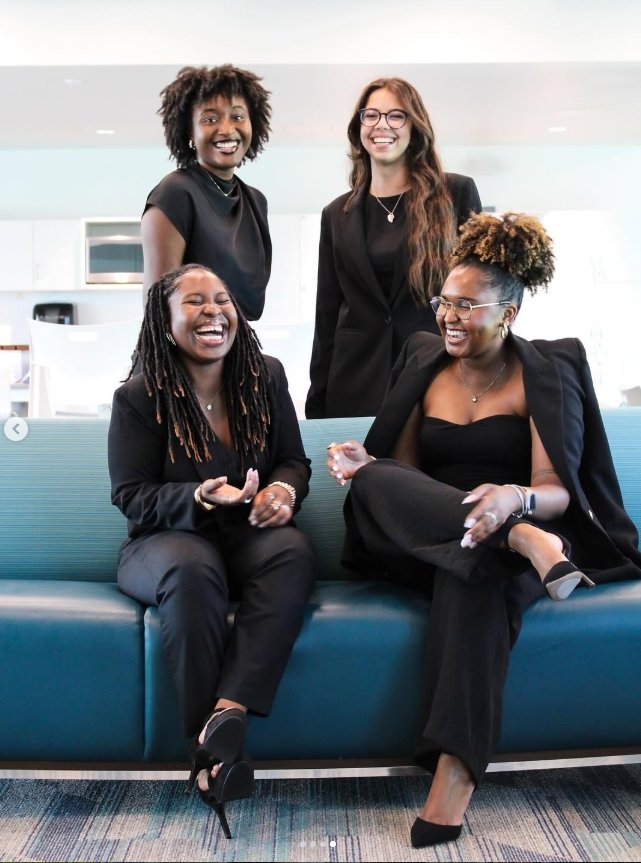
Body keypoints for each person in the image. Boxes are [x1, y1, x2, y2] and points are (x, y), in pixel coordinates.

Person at [325, 212, 641, 848]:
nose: (448, 316)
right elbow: (403, 478)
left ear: (509, 314)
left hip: (514, 526)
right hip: (431, 532)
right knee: (376, 475)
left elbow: (556, 490)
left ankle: (454, 776)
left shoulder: (547, 370)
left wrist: (514, 503)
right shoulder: (423, 360)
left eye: (467, 305)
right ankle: (518, 543)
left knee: (473, 573)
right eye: (444, 301)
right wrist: (368, 469)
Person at [108, 263, 316, 838]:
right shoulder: (139, 396)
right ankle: (211, 761)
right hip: (162, 544)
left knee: (292, 551)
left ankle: (228, 714)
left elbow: (293, 461)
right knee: (193, 568)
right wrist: (198, 495)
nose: (213, 311)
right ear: (165, 319)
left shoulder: (265, 376)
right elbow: (131, 497)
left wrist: (282, 491)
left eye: (222, 299)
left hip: (244, 538)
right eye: (195, 301)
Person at [305, 76, 482, 419]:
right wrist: (318, 401)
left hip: (435, 372)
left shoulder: (455, 194)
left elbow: (480, 296)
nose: (381, 125)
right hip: (355, 381)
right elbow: (326, 314)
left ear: (414, 126)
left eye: (395, 115)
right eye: (370, 115)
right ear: (358, 127)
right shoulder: (336, 214)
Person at [141, 65, 272, 321]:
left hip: (232, 350)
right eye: (210, 119)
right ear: (190, 131)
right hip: (184, 356)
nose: (226, 129)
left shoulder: (256, 201)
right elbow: (158, 306)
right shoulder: (175, 193)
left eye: (237, 116)